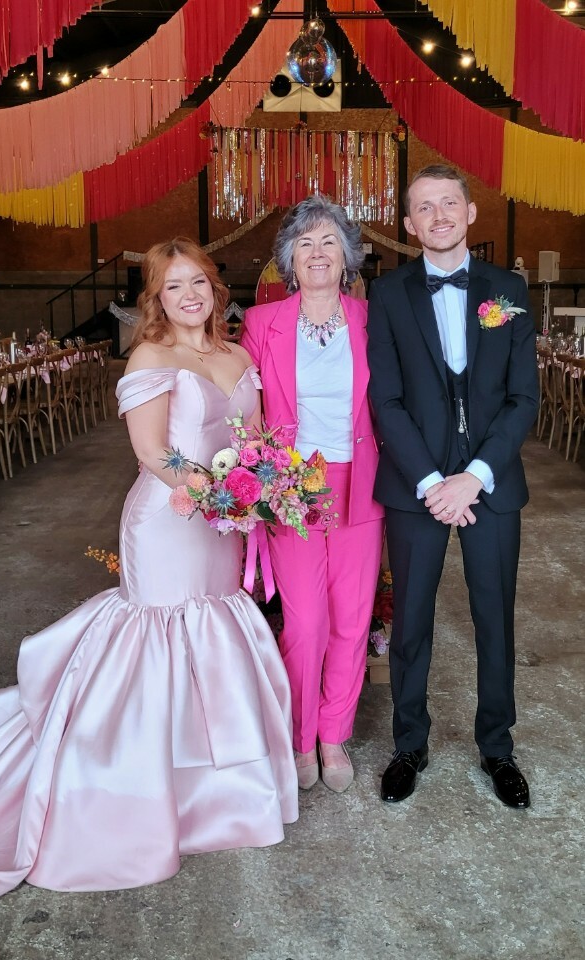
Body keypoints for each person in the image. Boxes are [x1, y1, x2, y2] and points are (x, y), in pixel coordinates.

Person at [0, 238, 298, 910]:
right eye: (173, 287)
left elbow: (257, 442)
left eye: (199, 283)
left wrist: (265, 485)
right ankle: (135, 794)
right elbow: (154, 452)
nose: (189, 296)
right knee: (160, 637)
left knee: (212, 633)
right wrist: (224, 493)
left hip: (224, 528)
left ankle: (209, 796)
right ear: (155, 298)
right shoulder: (151, 356)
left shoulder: (239, 356)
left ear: (216, 289)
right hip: (169, 522)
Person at [367, 164, 539, 808]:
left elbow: (523, 399)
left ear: (469, 212)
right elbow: (385, 398)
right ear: (409, 226)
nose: (438, 215)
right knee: (411, 620)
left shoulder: (508, 289)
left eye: (449, 203)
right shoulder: (387, 296)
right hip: (418, 486)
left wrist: (475, 477)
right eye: (423, 208)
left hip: (492, 485)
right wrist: (436, 481)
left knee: (494, 617)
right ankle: (409, 741)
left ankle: (498, 746)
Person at [240, 195, 385, 794]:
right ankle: (299, 738)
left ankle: (333, 734)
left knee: (352, 621)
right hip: (293, 488)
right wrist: (250, 473)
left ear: (347, 257)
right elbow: (244, 410)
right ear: (288, 262)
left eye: (329, 242)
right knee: (304, 623)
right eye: (305, 244)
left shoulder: (373, 319)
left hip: (361, 486)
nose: (318, 253)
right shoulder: (260, 324)